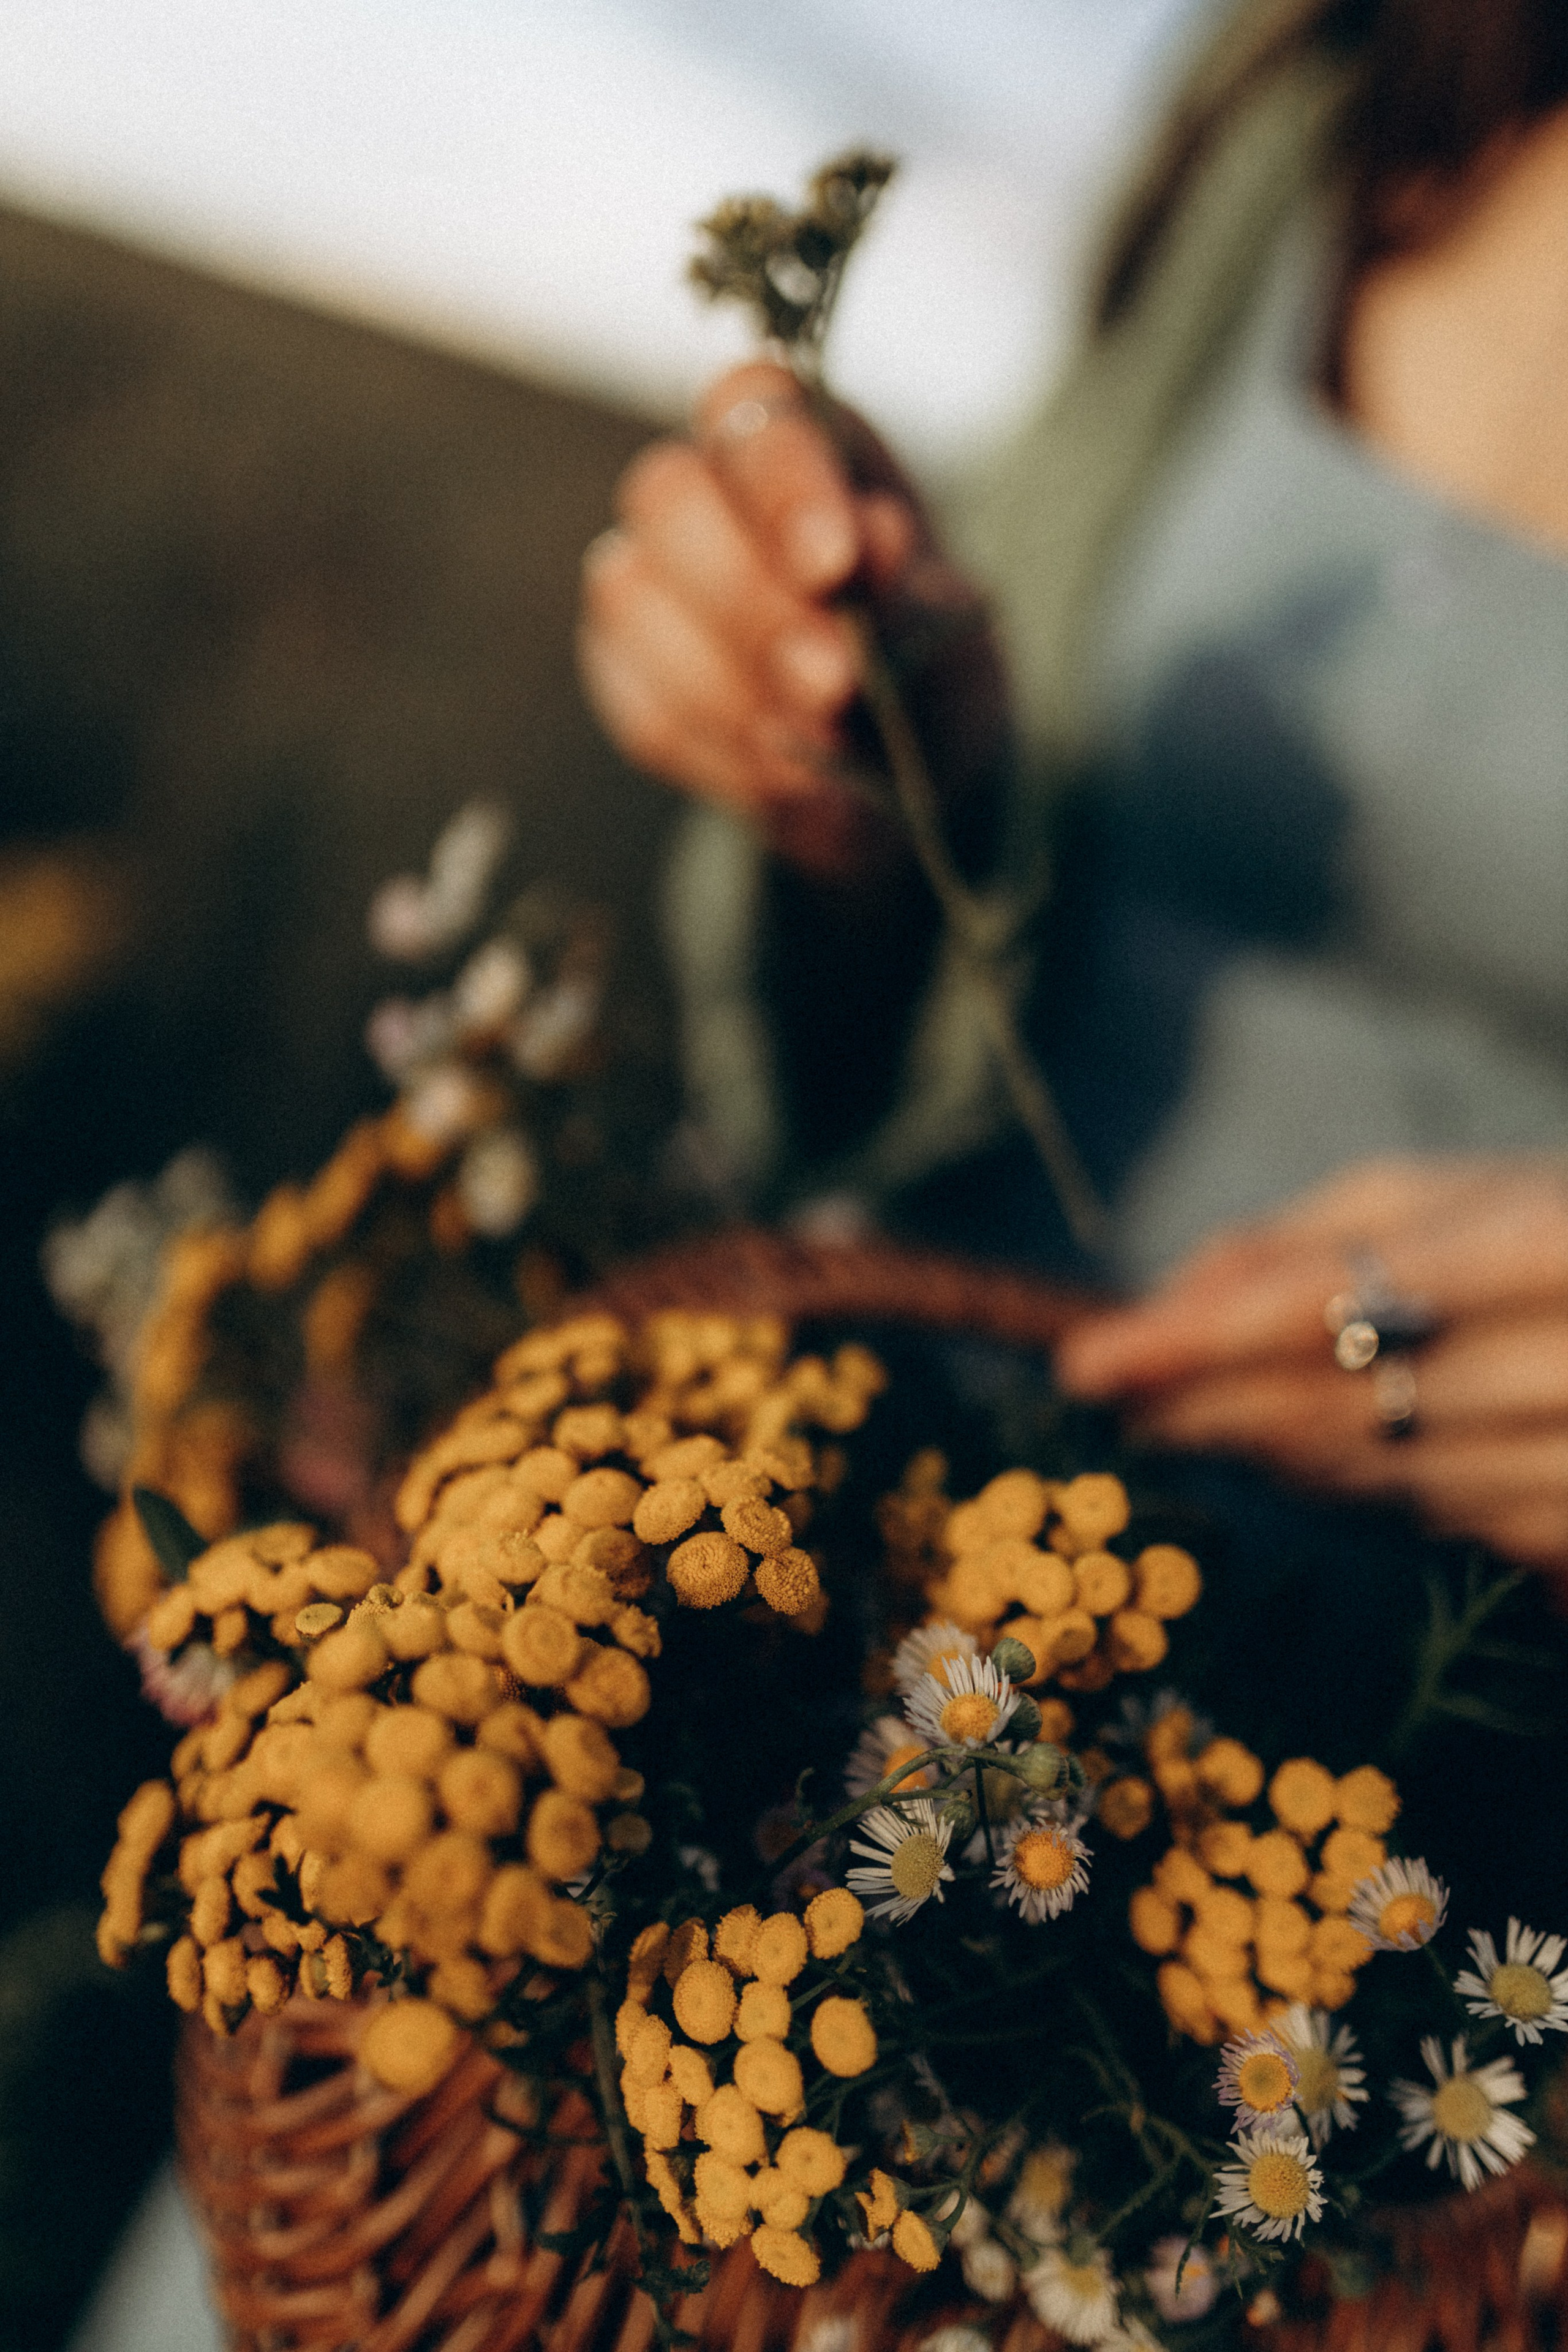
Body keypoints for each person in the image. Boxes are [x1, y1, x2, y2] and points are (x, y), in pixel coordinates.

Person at [577, 0, 1568, 1575]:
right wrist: (871, 775)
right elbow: (878, 1014)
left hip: (1441, 1728)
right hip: (872, 1489)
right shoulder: (1314, 94)